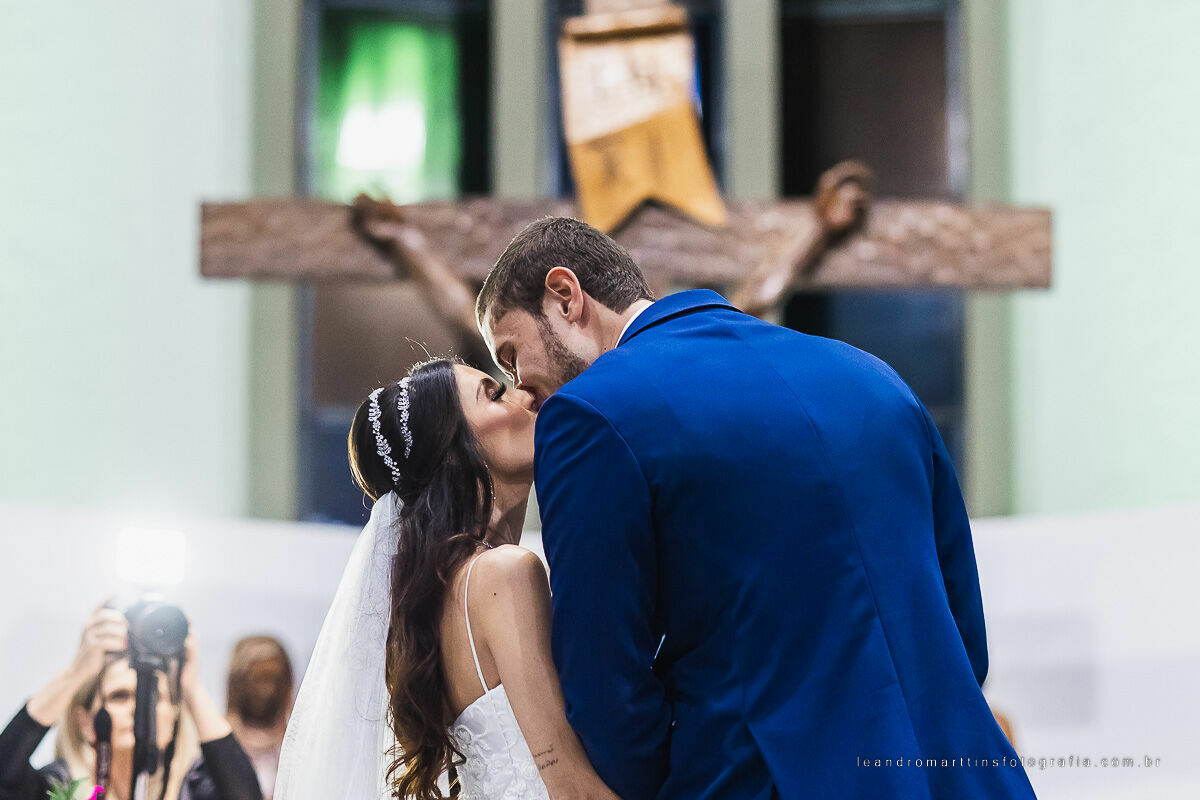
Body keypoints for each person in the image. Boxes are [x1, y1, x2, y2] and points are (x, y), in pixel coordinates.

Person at [474, 217, 1039, 799]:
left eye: (512, 354)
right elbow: (963, 632)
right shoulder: (874, 376)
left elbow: (604, 683)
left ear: (564, 295)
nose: (521, 388)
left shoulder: (590, 415)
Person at [275, 359, 619, 800]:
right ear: (455, 454)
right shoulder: (504, 574)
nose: (526, 394)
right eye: (495, 394)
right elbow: (573, 790)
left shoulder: (443, 598)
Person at [0, 606, 263, 800]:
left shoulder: (194, 788)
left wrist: (190, 687)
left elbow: (247, 797)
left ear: (174, 717)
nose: (138, 707)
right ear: (85, 721)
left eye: (154, 697)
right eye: (120, 696)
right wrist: (77, 671)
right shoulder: (58, 786)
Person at [225, 638, 293, 800]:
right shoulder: (220, 747)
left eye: (274, 678)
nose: (267, 690)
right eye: (257, 679)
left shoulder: (298, 747)